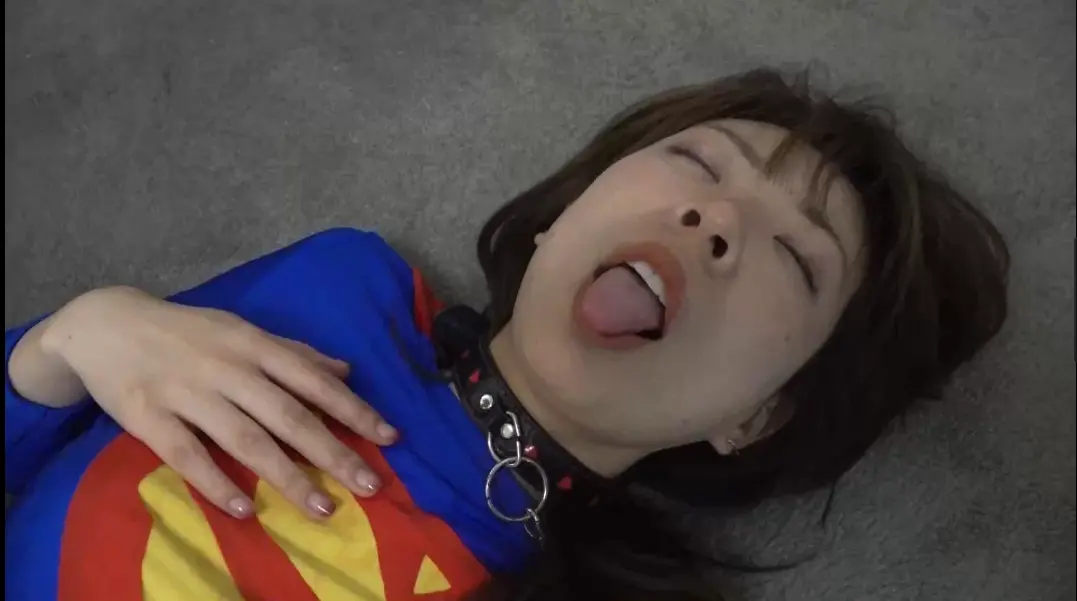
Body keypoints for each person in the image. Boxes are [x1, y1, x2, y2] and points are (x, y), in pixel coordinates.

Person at [4, 68, 1009, 601]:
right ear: (558, 219)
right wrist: (72, 338)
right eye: (700, 163)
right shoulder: (339, 285)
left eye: (794, 255)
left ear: (760, 416)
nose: (715, 219)